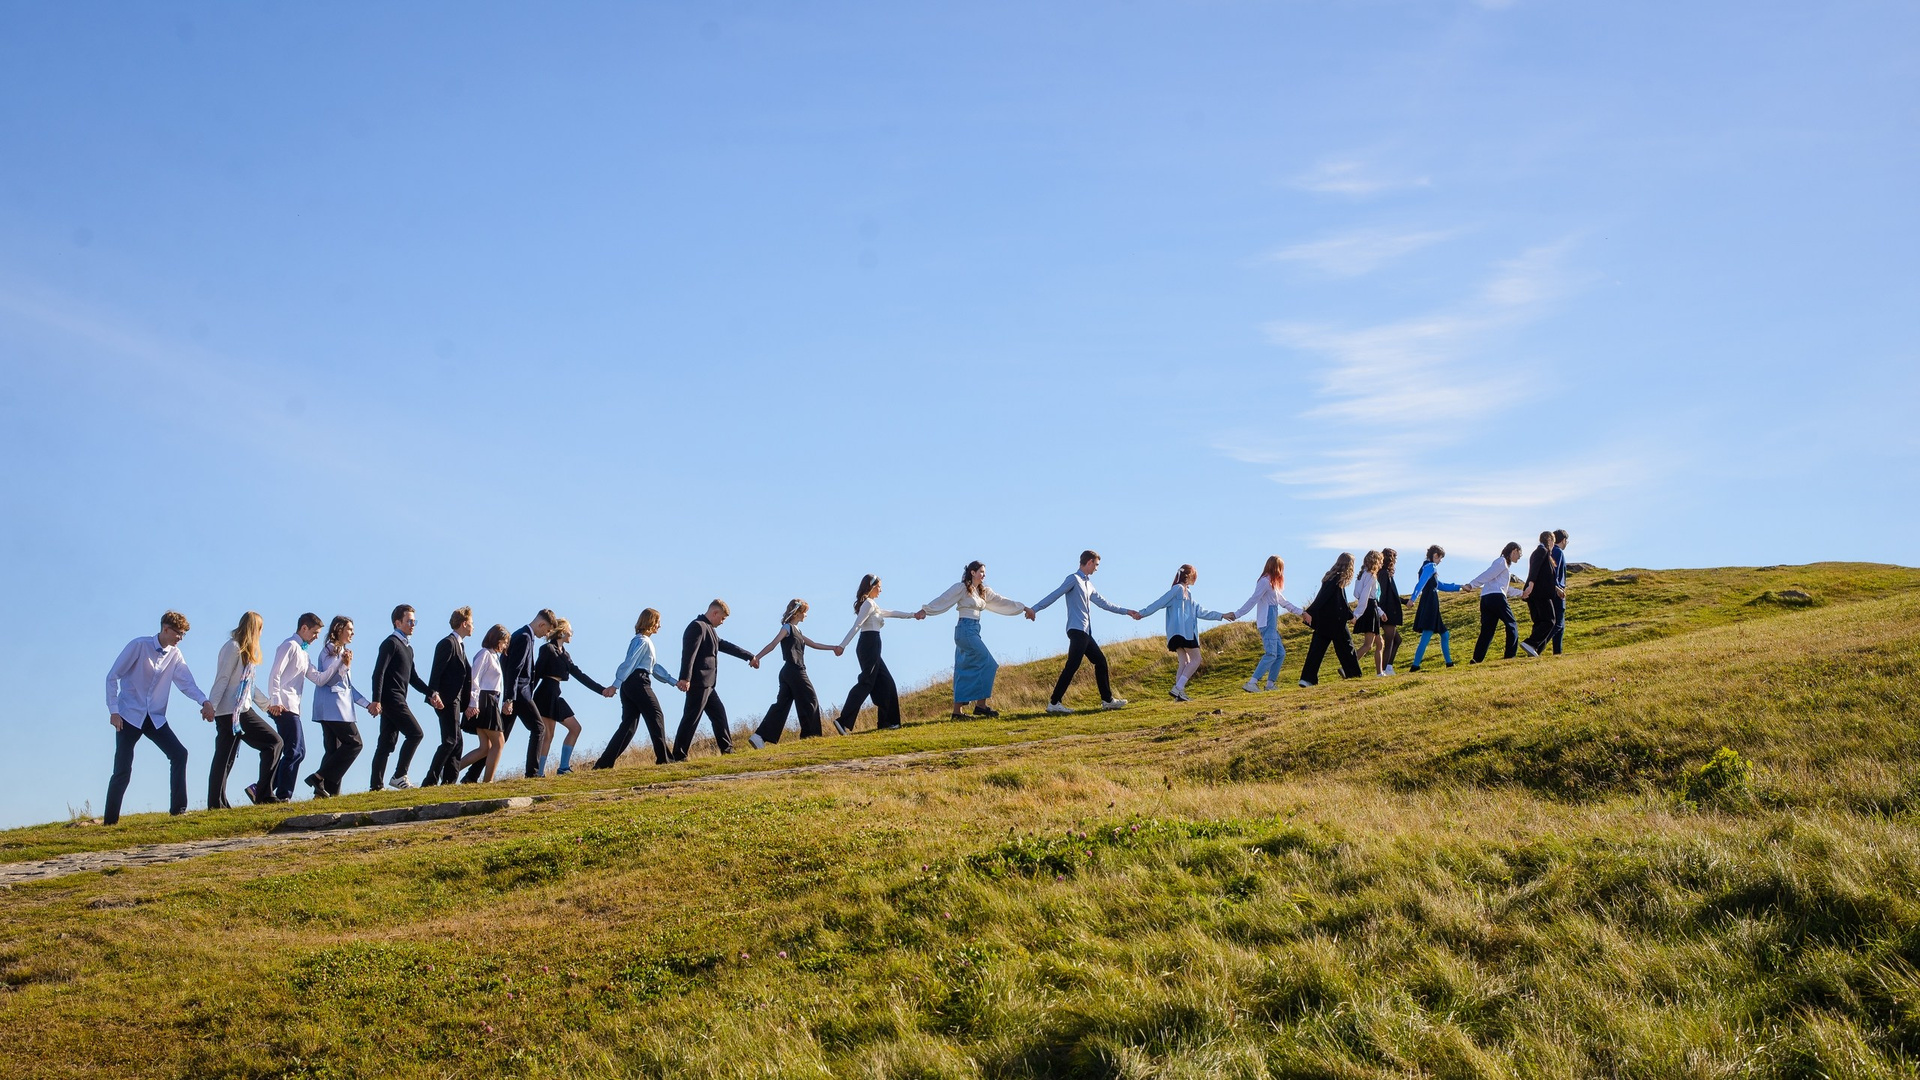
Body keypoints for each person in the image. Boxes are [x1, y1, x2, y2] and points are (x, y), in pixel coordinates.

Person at [102, 611, 213, 825]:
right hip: (129, 716)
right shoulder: (139, 646)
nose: (180, 639)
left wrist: (204, 702)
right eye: (178, 634)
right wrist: (113, 711)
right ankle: (110, 821)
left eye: (183, 635)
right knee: (122, 769)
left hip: (155, 718)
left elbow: (186, 683)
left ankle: (178, 810)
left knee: (179, 754)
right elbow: (112, 676)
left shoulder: (175, 654)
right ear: (165, 629)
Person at [918, 561, 1033, 719]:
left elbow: (1002, 601)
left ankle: (957, 712)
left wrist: (1023, 608)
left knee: (963, 668)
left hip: (973, 630)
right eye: (981, 571)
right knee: (989, 664)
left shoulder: (983, 591)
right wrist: (926, 610)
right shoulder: (962, 588)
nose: (984, 575)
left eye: (984, 572)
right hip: (965, 630)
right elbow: (944, 598)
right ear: (972, 572)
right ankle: (980, 705)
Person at [1031, 550, 1137, 714]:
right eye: (1096, 564)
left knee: (1100, 661)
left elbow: (1104, 603)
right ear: (1088, 562)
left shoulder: (1088, 584)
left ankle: (1107, 700)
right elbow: (1055, 594)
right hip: (1077, 629)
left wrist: (1126, 611)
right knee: (1072, 665)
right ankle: (1054, 702)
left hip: (1085, 632)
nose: (1097, 568)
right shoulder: (1073, 579)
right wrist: (1035, 609)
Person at [205, 611, 281, 808]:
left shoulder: (247, 652)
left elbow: (249, 687)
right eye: (261, 629)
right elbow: (222, 678)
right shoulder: (233, 648)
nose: (262, 633)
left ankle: (260, 793)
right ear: (254, 628)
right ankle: (218, 803)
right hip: (231, 712)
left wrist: (267, 705)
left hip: (242, 709)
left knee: (272, 744)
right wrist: (211, 706)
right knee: (226, 757)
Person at [367, 604, 443, 791]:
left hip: (399, 698)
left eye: (414, 621)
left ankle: (375, 786)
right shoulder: (390, 643)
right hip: (391, 699)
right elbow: (378, 673)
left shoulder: (408, 648)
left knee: (386, 743)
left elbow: (413, 678)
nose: (412, 624)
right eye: (409, 621)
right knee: (415, 733)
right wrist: (376, 700)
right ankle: (400, 775)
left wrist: (431, 693)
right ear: (397, 622)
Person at [1131, 564, 1233, 702]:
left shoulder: (1188, 593)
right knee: (1196, 659)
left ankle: (1179, 696)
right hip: (1183, 632)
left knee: (1184, 662)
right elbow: (1159, 602)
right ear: (1190, 575)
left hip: (1178, 633)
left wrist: (1222, 615)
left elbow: (1202, 612)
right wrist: (1142, 613)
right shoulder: (1177, 589)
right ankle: (1178, 688)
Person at [836, 575, 925, 732]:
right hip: (868, 644)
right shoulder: (868, 604)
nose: (881, 590)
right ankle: (843, 721)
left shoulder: (873, 605)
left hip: (873, 645)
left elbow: (891, 613)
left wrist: (913, 615)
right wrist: (842, 646)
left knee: (887, 683)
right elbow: (856, 626)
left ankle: (888, 722)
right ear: (871, 587)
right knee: (866, 683)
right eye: (879, 587)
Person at [671, 600, 758, 759]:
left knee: (719, 715)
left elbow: (724, 645)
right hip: (698, 682)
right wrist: (685, 678)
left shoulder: (709, 629)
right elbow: (688, 654)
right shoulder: (697, 626)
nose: (722, 622)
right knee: (691, 718)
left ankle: (728, 750)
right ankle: (678, 755)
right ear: (715, 613)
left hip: (709, 684)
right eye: (722, 618)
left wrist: (749, 656)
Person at [748, 600, 842, 747]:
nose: (806, 615)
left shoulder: (798, 631)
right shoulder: (787, 628)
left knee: (782, 705)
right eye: (805, 612)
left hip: (788, 672)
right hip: (794, 670)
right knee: (811, 700)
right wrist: (757, 657)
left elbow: (815, 644)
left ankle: (759, 736)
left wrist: (834, 648)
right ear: (797, 613)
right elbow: (773, 644)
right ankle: (811, 736)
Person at [305, 616, 379, 798]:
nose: (353, 633)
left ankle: (325, 794)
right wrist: (345, 666)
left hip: (331, 709)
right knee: (355, 744)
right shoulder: (331, 651)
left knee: (333, 751)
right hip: (334, 709)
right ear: (339, 630)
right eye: (349, 629)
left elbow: (347, 687)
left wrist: (366, 704)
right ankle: (319, 777)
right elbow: (330, 681)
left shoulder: (342, 652)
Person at [597, 609, 679, 768]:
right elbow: (630, 662)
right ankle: (664, 759)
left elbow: (654, 667)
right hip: (638, 682)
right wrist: (615, 684)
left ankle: (603, 764)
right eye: (657, 622)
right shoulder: (642, 641)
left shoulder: (644, 641)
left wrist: (673, 681)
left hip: (631, 684)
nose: (659, 626)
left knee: (629, 725)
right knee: (656, 715)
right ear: (649, 622)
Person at [533, 618, 615, 775]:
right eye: (570, 630)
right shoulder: (547, 649)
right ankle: (539, 772)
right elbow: (536, 674)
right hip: (545, 694)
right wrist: (526, 697)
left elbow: (580, 675)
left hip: (556, 694)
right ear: (562, 631)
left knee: (575, 728)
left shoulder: (565, 654)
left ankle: (563, 767)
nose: (572, 634)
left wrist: (602, 690)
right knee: (548, 735)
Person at [263, 613, 326, 802]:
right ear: (304, 628)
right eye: (315, 632)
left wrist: (341, 663)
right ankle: (283, 795)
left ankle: (261, 788)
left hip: (294, 708)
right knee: (294, 751)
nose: (316, 637)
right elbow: (275, 673)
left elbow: (318, 678)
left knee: (299, 751)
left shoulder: (304, 653)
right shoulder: (289, 645)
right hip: (282, 706)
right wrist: (275, 700)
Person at [421, 607, 475, 787]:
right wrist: (433, 694)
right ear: (464, 623)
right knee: (450, 740)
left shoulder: (460, 644)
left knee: (457, 742)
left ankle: (449, 781)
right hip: (446, 700)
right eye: (472, 623)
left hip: (456, 701)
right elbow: (436, 671)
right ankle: (430, 780)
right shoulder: (448, 643)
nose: (473, 627)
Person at [501, 610, 558, 779]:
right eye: (547, 630)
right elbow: (514, 669)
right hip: (520, 693)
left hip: (516, 693)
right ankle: (532, 773)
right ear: (541, 624)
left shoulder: (521, 634)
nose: (546, 634)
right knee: (539, 728)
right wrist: (509, 698)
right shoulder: (525, 637)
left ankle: (472, 775)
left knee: (501, 736)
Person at [1233, 556, 1301, 692]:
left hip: (1272, 624)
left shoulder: (1273, 584)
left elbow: (1284, 602)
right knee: (1271, 653)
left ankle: (1270, 684)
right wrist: (1237, 614)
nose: (1282, 572)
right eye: (1281, 568)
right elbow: (1253, 599)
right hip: (1267, 622)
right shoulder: (1264, 582)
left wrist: (1302, 612)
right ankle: (1252, 682)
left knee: (1280, 653)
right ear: (1276, 567)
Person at [453, 624, 510, 783]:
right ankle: (488, 781)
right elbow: (475, 679)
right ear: (497, 640)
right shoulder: (484, 654)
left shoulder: (493, 656)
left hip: (491, 700)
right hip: (484, 700)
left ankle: (451, 770)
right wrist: (473, 703)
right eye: (504, 642)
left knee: (485, 747)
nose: (505, 646)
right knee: (499, 743)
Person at [1298, 554, 1363, 687]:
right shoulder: (1338, 579)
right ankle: (1354, 674)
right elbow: (1341, 603)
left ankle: (1307, 678)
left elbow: (1322, 598)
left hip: (1323, 621)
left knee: (1317, 650)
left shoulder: (1330, 577)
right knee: (1346, 647)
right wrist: (1351, 616)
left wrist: (1311, 612)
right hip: (1336, 621)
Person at [1467, 543, 1527, 663]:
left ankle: (1476, 659)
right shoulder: (1501, 562)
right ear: (1514, 550)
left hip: (1486, 599)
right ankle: (1510, 657)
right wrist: (1472, 584)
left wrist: (1521, 593)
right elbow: (1488, 574)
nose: (1520, 557)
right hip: (1496, 598)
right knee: (1512, 625)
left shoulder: (1502, 565)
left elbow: (1504, 588)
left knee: (1487, 630)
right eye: (1520, 554)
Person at [1408, 546, 1463, 672]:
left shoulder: (1425, 567)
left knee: (1445, 634)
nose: (1440, 561)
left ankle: (1449, 663)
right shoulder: (1430, 566)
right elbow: (1421, 583)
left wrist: (1460, 587)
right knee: (1427, 635)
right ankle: (1415, 666)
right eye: (1441, 558)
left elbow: (1440, 585)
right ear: (1436, 555)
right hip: (1430, 604)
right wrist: (1412, 598)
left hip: (1430, 603)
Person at [1520, 531, 1558, 658]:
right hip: (1540, 593)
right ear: (1550, 540)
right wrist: (1531, 584)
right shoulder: (1542, 551)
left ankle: (1533, 650)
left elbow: (1541, 574)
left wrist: (1557, 589)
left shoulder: (1540, 552)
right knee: (1550, 620)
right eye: (1553, 541)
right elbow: (1534, 570)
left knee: (1539, 622)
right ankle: (1530, 643)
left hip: (1534, 594)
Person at [1352, 551, 1386, 675]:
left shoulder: (1362, 575)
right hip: (1369, 610)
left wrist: (1380, 611)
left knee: (1380, 643)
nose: (1382, 564)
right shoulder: (1371, 576)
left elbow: (1357, 594)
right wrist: (1356, 614)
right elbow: (1367, 597)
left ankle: (1379, 672)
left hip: (1371, 608)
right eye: (1381, 561)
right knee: (1368, 645)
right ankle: (1348, 667)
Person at [1377, 548, 1406, 676]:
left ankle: (1388, 667)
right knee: (1389, 642)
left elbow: (1391, 595)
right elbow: (1382, 595)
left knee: (1397, 640)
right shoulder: (1384, 574)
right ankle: (1383, 671)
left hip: (1387, 611)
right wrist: (1381, 612)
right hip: (1387, 612)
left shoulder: (1385, 574)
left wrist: (1404, 601)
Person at [1550, 529, 1570, 654]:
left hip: (1552, 590)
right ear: (1563, 540)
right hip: (1557, 590)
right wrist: (1557, 587)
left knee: (1559, 625)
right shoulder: (1558, 552)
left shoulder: (1550, 551)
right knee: (1558, 624)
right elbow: (1555, 572)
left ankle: (1557, 652)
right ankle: (1537, 644)